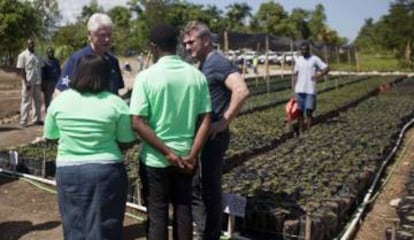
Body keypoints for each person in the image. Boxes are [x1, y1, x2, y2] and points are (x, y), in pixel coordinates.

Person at [130, 24, 211, 240]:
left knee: (157, 214)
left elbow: (137, 122)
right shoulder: (196, 76)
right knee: (184, 211)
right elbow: (206, 120)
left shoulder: (146, 78)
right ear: (176, 45)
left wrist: (166, 152)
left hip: (155, 160)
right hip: (187, 158)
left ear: (153, 47)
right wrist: (193, 155)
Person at [43, 54, 136, 240]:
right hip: (106, 171)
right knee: (106, 225)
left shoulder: (59, 102)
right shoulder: (116, 104)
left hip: (68, 171)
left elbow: (51, 137)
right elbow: (127, 141)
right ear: (105, 77)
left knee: (73, 223)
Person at [183, 21, 250, 239]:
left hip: (213, 137)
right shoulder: (203, 64)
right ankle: (203, 230)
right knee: (197, 185)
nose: (187, 47)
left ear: (205, 40)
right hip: (203, 137)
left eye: (191, 42)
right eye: (185, 43)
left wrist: (223, 122)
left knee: (210, 188)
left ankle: (209, 234)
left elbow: (241, 90)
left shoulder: (218, 62)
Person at [55, 13, 124, 95]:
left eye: (109, 35)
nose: (107, 39)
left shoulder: (113, 61)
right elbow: (60, 92)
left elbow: (116, 92)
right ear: (89, 35)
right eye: (102, 35)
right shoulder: (78, 59)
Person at [293, 42, 330, 133]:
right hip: (299, 89)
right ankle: (301, 129)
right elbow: (296, 73)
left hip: (310, 89)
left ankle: (308, 130)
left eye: (305, 50)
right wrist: (294, 87)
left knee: (309, 111)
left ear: (309, 50)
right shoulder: (298, 60)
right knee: (300, 111)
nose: (303, 51)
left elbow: (326, 68)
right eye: (302, 50)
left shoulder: (314, 59)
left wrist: (318, 76)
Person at [16, 38, 44, 128]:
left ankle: (36, 119)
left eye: (32, 43)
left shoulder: (38, 55)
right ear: (27, 45)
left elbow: (41, 68)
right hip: (28, 82)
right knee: (26, 101)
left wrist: (41, 81)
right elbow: (21, 70)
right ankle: (23, 121)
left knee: (37, 102)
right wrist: (26, 82)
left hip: (37, 81)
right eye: (29, 44)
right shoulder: (22, 55)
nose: (31, 45)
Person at [42, 47, 61, 111]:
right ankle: (47, 112)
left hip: (56, 82)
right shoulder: (44, 61)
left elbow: (59, 71)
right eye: (49, 52)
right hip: (47, 83)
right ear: (47, 53)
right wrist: (43, 84)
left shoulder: (56, 61)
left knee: (56, 98)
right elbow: (42, 73)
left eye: (52, 52)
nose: (51, 53)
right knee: (47, 99)